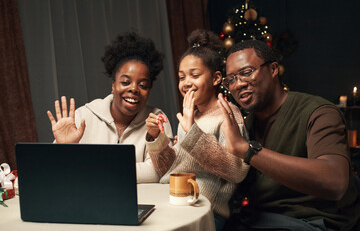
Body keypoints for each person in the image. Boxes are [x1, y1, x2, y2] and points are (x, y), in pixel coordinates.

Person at [217, 39, 360, 230]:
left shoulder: (318, 112)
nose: (238, 85)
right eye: (231, 79)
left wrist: (248, 151)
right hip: (259, 220)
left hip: (314, 222)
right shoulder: (243, 126)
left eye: (246, 73)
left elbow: (334, 182)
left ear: (274, 69)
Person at [145, 29, 250, 231]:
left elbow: (236, 170)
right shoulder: (189, 115)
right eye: (181, 77)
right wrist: (155, 137)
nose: (186, 83)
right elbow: (166, 168)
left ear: (216, 78)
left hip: (206, 211)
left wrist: (192, 133)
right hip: (173, 200)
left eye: (194, 75)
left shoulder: (228, 114)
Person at [47, 32, 173, 183]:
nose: (134, 89)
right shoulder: (83, 116)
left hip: (139, 203)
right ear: (113, 85)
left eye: (143, 85)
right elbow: (55, 171)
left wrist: (95, 168)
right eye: (125, 82)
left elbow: (157, 172)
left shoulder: (157, 120)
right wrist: (65, 150)